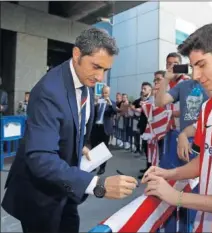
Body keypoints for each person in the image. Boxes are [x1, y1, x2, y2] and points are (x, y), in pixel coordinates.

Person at [1, 28, 137, 233]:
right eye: (96, 67)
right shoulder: (49, 91)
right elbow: (40, 157)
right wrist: (98, 184)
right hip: (41, 197)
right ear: (76, 54)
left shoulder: (86, 82)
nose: (100, 77)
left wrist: (80, 145)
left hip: (67, 188)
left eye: (105, 70)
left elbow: (73, 123)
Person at [142, 23, 212, 233]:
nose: (196, 75)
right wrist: (169, 174)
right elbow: (205, 161)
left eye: (202, 64)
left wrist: (177, 197)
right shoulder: (208, 108)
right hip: (203, 224)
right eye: (192, 67)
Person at [90, 85, 117, 175]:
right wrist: (94, 104)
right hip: (96, 127)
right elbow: (91, 113)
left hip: (105, 128)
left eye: (106, 92)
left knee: (104, 148)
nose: (104, 94)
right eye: (103, 92)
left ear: (109, 93)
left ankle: (102, 167)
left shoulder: (112, 102)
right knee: (94, 147)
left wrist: (109, 104)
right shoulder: (98, 101)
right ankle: (93, 165)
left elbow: (114, 112)